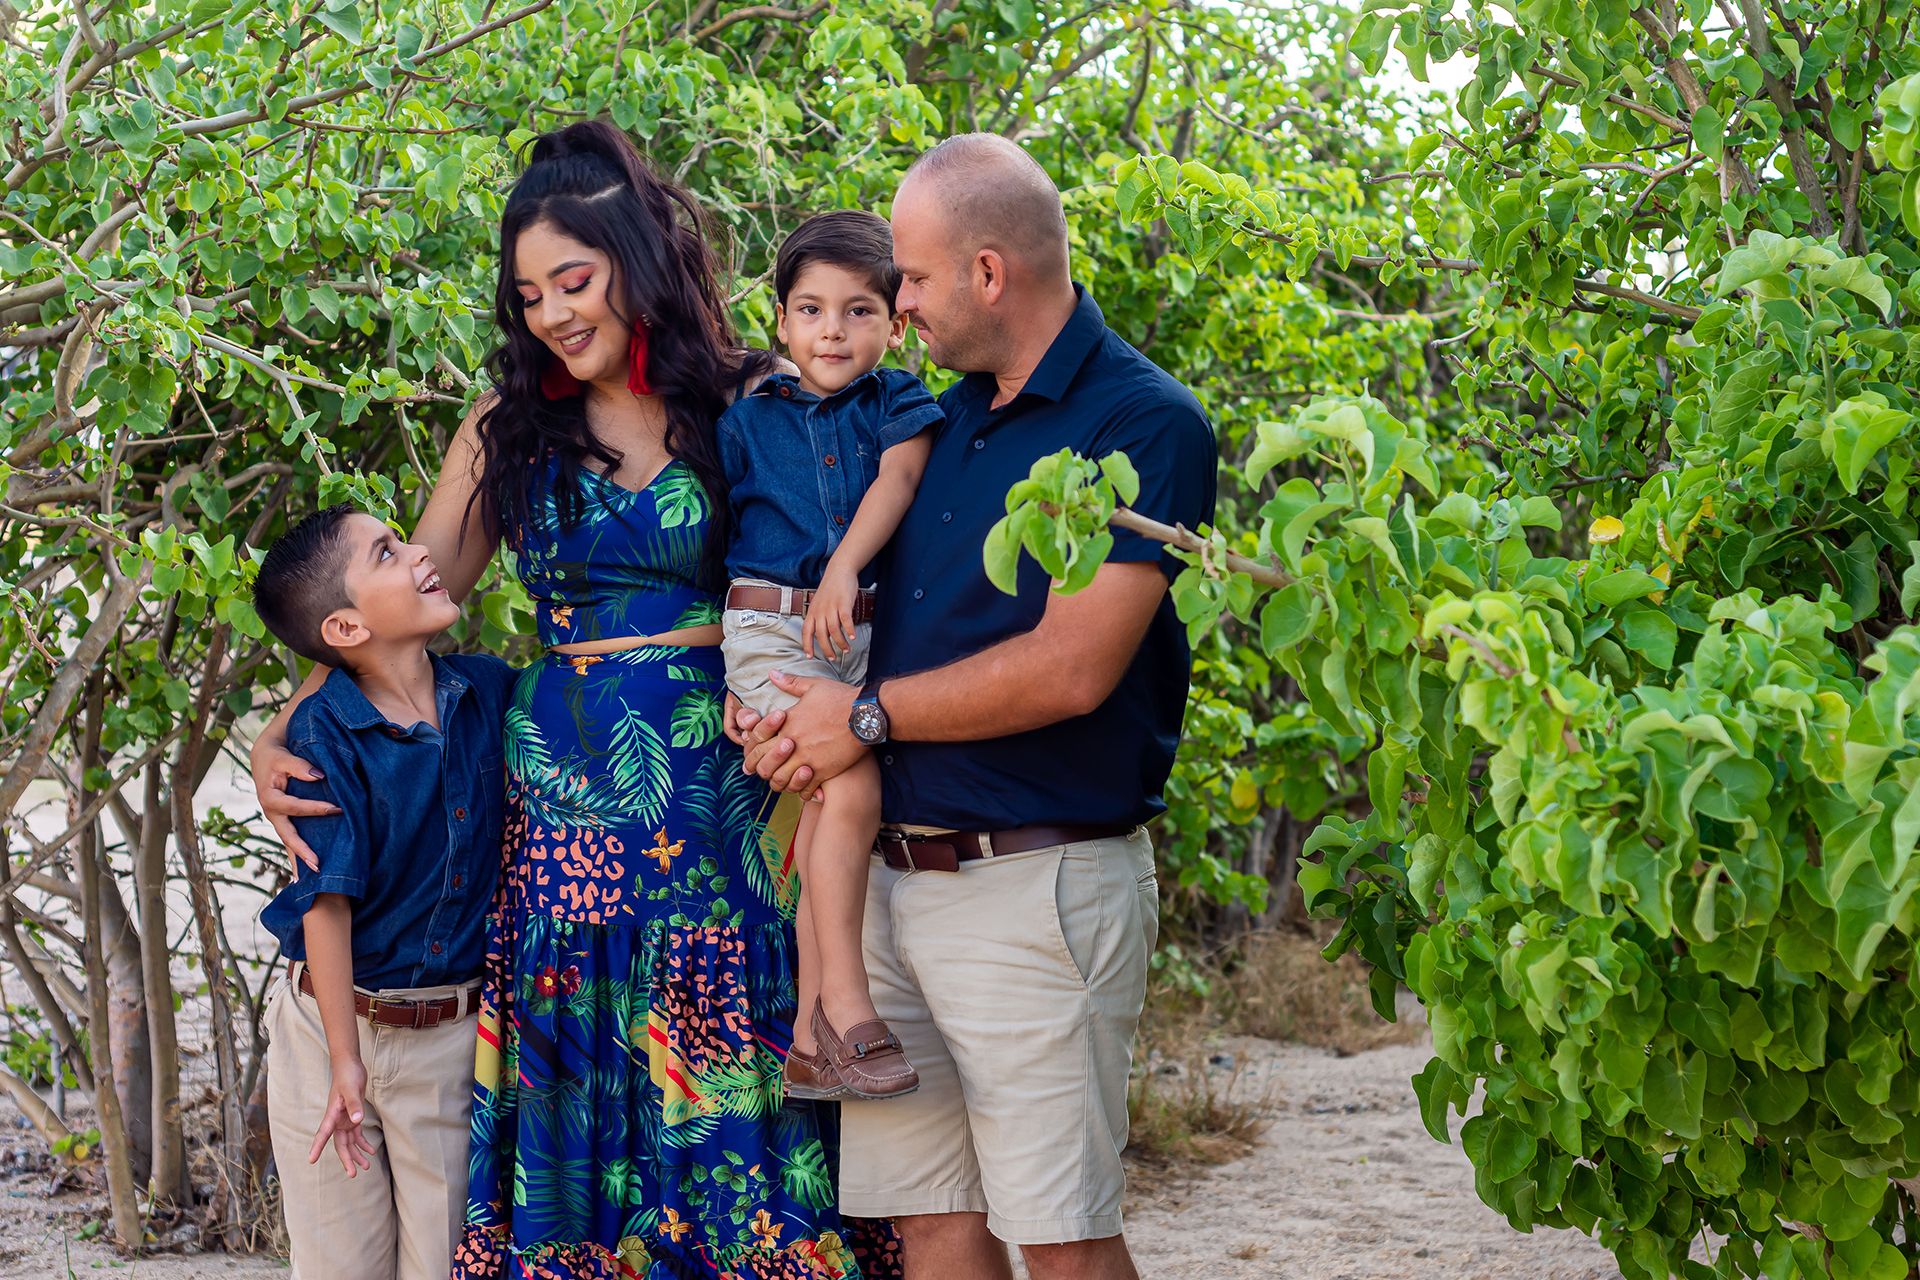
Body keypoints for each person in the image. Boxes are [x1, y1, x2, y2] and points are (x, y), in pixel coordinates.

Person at [250, 122, 896, 1280]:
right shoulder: (506, 433)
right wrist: (288, 720)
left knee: (735, 1095)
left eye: (575, 280)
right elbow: (390, 601)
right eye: (530, 292)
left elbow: (851, 532)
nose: (552, 311)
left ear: (636, 260)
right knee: (587, 1114)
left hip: (726, 805)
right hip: (563, 843)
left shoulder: (752, 400)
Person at [727, 133, 1217, 1280]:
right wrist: (790, 710)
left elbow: (1072, 666)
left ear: (989, 273)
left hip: (1032, 888)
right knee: (934, 1223)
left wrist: (858, 721)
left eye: (913, 278)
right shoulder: (935, 419)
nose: (899, 304)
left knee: (1061, 1233)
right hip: (893, 879)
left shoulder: (1141, 421)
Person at [252, 505, 518, 1280]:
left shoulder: (489, 694)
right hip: (330, 1034)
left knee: (442, 1261)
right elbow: (327, 908)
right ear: (344, 629)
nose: (418, 554)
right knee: (342, 1262)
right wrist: (345, 1063)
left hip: (448, 1041)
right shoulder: (322, 738)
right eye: (387, 553)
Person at [718, 210, 940, 1103]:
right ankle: (844, 1008)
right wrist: (728, 684)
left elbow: (901, 479)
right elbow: (716, 540)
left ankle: (813, 1038)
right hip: (771, 629)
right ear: (780, 321)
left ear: (894, 321)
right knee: (849, 786)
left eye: (857, 311)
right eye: (810, 310)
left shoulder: (901, 402)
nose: (832, 331)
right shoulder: (748, 417)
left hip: (864, 630)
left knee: (824, 815)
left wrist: (847, 562)